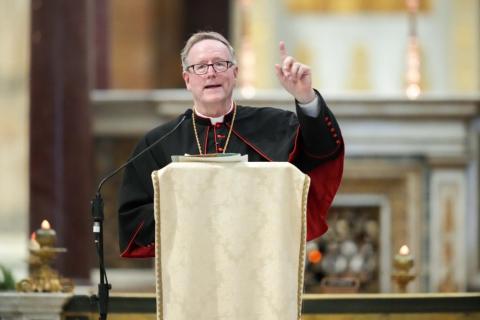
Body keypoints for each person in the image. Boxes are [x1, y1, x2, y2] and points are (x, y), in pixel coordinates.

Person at [118, 31, 344, 257]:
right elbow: (134, 215)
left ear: (235, 73)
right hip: (192, 264)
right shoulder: (158, 143)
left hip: (263, 259)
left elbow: (322, 151)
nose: (211, 73)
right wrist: (185, 214)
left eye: (220, 64)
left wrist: (306, 99)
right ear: (187, 79)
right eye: (200, 66)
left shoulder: (275, 125)